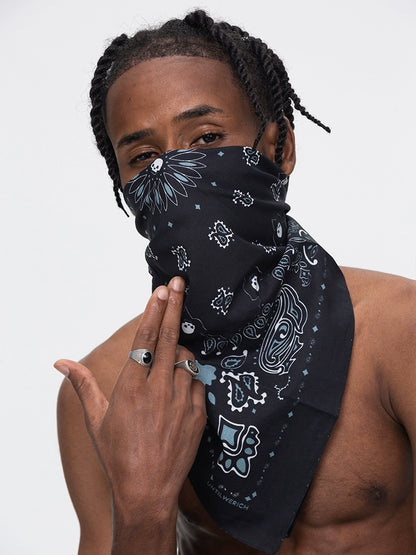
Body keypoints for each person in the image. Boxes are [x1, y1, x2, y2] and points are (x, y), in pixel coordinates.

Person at [54, 10, 416, 555]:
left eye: (206, 138)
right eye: (144, 156)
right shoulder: (105, 390)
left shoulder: (398, 332)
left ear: (279, 148)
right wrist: (144, 507)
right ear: (123, 185)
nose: (174, 170)